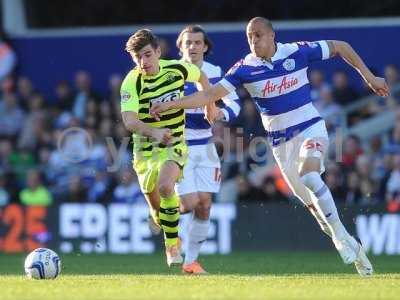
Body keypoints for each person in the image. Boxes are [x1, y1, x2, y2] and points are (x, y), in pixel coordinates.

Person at [150, 17, 390, 276]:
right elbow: (209, 95)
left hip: (311, 128)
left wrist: (369, 77)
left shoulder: (297, 51)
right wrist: (171, 105)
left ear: (272, 35)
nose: (253, 41)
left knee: (309, 175)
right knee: (316, 212)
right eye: (249, 37)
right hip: (281, 144)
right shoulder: (244, 68)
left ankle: (341, 238)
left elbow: (341, 46)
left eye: (258, 35)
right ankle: (353, 246)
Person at [120, 29, 211, 267]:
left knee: (166, 185)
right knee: (159, 213)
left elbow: (201, 76)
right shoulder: (132, 82)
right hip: (145, 152)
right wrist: (155, 132)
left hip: (175, 143)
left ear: (158, 52)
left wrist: (210, 105)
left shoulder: (176, 70)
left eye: (148, 55)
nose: (144, 62)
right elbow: (129, 121)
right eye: (138, 58)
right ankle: (159, 219)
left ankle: (172, 246)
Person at [175, 25, 240, 274]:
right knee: (190, 203)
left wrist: (220, 112)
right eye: (187, 42)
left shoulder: (215, 73)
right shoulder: (171, 72)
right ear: (181, 46)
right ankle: (171, 227)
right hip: (178, 146)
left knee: (204, 205)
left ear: (205, 47)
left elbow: (234, 103)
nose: (192, 47)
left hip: (206, 145)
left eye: (197, 42)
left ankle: (190, 262)